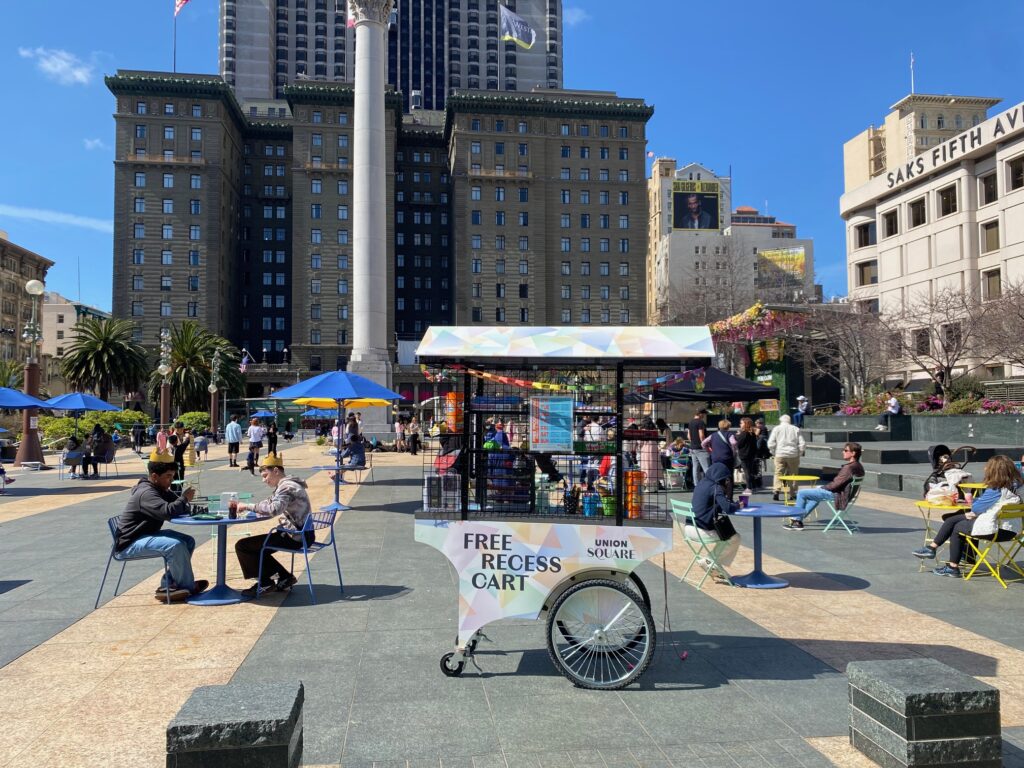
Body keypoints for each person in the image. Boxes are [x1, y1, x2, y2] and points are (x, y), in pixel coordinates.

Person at [113, 443, 208, 602]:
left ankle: (169, 583)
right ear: (155, 476)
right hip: (129, 543)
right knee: (174, 545)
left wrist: (197, 508)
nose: (171, 481)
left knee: (187, 541)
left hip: (145, 535)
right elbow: (168, 512)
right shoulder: (147, 493)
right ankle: (187, 587)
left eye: (172, 476)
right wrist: (184, 498)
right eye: (168, 477)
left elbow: (177, 506)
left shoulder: (160, 489)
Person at [913, 455, 1022, 577]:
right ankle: (937, 550)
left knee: (957, 527)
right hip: (1013, 530)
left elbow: (977, 508)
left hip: (996, 530)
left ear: (994, 471)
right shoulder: (1015, 486)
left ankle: (950, 564)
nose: (985, 468)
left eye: (988, 466)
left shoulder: (996, 489)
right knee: (952, 519)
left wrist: (972, 501)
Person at [234, 453, 313, 597]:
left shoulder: (286, 487)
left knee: (243, 546)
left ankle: (264, 582)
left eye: (265, 475)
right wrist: (255, 507)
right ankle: (284, 576)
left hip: (296, 536)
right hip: (302, 533)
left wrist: (248, 506)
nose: (264, 480)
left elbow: (273, 509)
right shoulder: (287, 485)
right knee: (257, 546)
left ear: (276, 471)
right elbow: (270, 502)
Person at [784, 442, 865, 530]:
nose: (843, 452)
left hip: (838, 494)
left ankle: (796, 521)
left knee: (801, 493)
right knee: (813, 497)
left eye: (845, 450)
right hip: (846, 494)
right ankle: (798, 520)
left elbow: (835, 485)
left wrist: (822, 487)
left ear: (853, 453)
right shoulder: (859, 466)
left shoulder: (848, 468)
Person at [686, 463, 742, 576]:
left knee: (729, 537)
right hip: (701, 531)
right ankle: (710, 560)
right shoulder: (715, 487)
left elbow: (711, 505)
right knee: (735, 538)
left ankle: (713, 565)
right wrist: (738, 505)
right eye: (726, 479)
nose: (726, 482)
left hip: (688, 528)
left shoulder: (701, 483)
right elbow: (727, 508)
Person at [767, 414, 805, 502]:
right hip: (793, 454)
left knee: (778, 473)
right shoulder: (795, 429)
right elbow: (802, 443)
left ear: (781, 421)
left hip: (780, 454)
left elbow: (770, 443)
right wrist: (799, 453)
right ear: (789, 421)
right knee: (793, 475)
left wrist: (773, 452)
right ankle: (793, 493)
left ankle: (776, 490)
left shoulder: (776, 429)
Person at [686, 409, 710, 487]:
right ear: (700, 414)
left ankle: (697, 485)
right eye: (703, 414)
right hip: (700, 448)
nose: (704, 416)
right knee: (706, 467)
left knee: (695, 467)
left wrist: (693, 442)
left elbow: (688, 436)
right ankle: (710, 485)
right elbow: (701, 435)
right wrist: (705, 445)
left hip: (693, 448)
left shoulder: (690, 422)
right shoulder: (700, 422)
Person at [734, 417, 759, 492]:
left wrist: (737, 436)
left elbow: (738, 444)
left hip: (744, 454)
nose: (740, 424)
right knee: (750, 470)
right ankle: (752, 486)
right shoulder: (752, 433)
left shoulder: (744, 433)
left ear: (745, 424)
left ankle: (748, 488)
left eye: (741, 423)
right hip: (751, 454)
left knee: (746, 471)